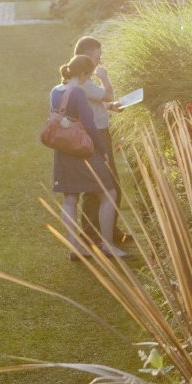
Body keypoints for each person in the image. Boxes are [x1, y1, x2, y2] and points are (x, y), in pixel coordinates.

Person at [50, 54, 126, 260]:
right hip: (83, 150)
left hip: (63, 151)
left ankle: (76, 249)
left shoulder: (55, 91)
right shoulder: (78, 93)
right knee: (108, 193)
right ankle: (108, 245)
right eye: (90, 74)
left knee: (70, 198)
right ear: (83, 74)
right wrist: (102, 151)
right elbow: (90, 125)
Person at [73, 35, 125, 241]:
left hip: (98, 133)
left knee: (106, 185)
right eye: (97, 57)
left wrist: (109, 107)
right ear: (85, 56)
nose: (99, 62)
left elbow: (98, 101)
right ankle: (90, 236)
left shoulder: (83, 78)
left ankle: (109, 231)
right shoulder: (83, 81)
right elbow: (108, 94)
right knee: (102, 186)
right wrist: (104, 77)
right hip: (96, 136)